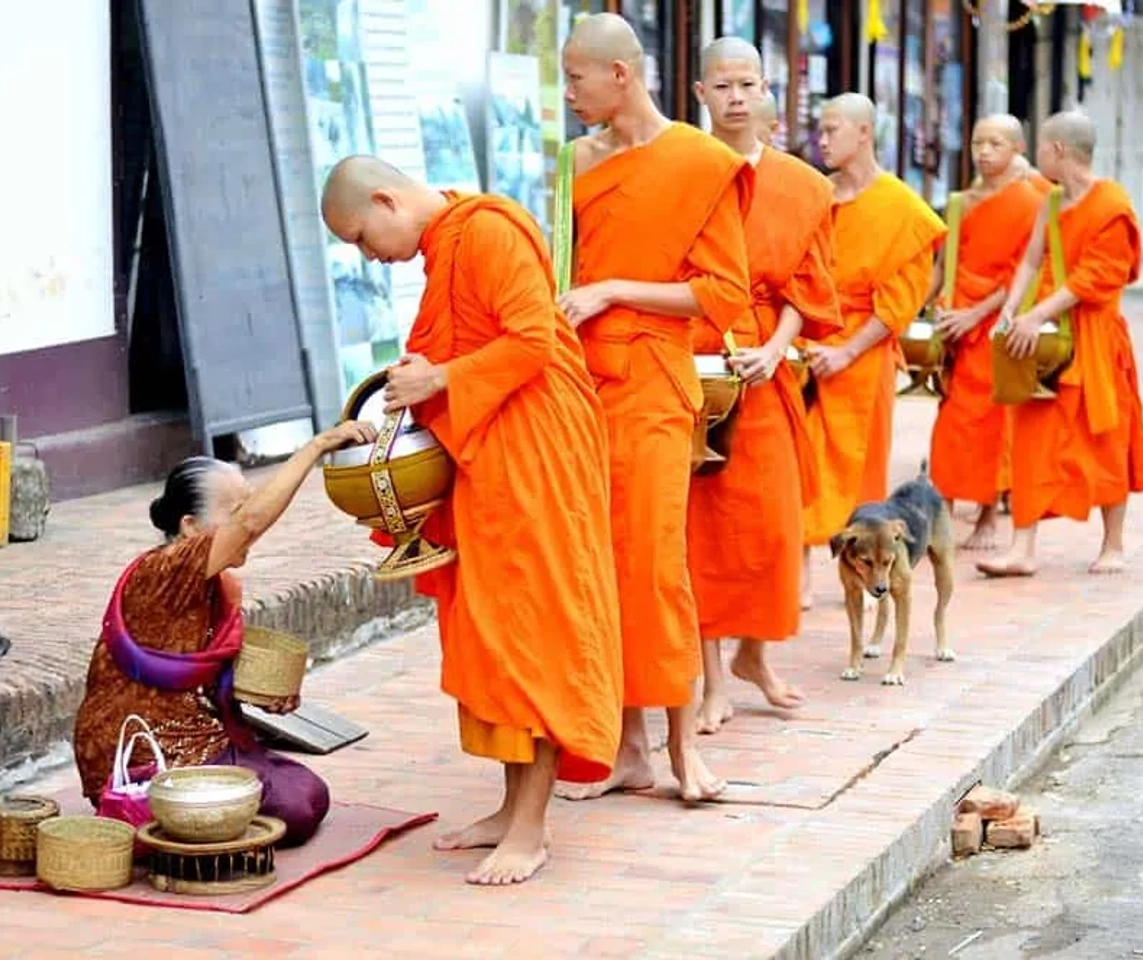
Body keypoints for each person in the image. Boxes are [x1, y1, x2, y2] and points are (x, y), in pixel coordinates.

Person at [319, 156, 624, 885]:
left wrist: (443, 377)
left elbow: (532, 343)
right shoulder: (446, 244)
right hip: (492, 452)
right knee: (494, 627)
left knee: (535, 627)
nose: (370, 256)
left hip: (537, 452)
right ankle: (508, 805)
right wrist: (424, 374)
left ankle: (532, 826)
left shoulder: (486, 231)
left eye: (364, 237)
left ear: (387, 200)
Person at [552, 13, 753, 803]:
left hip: (652, 390)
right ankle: (625, 745)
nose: (567, 92)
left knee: (653, 564)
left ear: (620, 76)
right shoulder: (574, 162)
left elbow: (724, 294)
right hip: (581, 390)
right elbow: (558, 271)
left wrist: (614, 289)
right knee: (595, 566)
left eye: (576, 78)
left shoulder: (700, 163)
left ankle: (681, 749)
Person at [72, 423, 377, 848]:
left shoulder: (217, 583)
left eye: (245, 507)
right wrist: (319, 446)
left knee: (302, 788)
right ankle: (156, 810)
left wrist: (256, 696)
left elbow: (208, 680)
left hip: (196, 734)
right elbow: (253, 524)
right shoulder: (163, 570)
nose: (247, 521)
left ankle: (200, 815)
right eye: (233, 512)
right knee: (297, 803)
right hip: (141, 752)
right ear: (191, 526)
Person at [688, 37, 842, 734]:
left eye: (748, 84)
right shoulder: (680, 172)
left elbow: (807, 285)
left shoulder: (805, 185)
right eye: (723, 86)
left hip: (765, 366)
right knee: (702, 533)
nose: (737, 97)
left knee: (774, 529)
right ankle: (712, 677)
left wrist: (777, 350)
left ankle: (755, 654)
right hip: (692, 365)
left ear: (766, 90)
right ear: (699, 94)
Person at [977, 111, 1143, 578]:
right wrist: (1011, 309)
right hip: (1044, 339)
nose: (1036, 157)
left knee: (1107, 437)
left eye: (1040, 147)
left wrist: (1036, 314)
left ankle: (1113, 543)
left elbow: (1096, 277)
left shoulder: (1111, 204)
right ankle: (1022, 547)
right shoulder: (1053, 203)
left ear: (1058, 151)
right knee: (1031, 434)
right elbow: (1030, 260)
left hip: (1095, 338)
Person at [799, 93, 947, 609]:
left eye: (832, 129)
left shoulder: (902, 209)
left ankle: (858, 567)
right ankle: (798, 569)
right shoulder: (815, 195)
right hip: (806, 345)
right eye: (819, 130)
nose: (822, 140)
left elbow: (900, 301)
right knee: (800, 463)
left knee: (859, 469)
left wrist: (846, 352)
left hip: (863, 356)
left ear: (864, 133)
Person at [927, 114, 1046, 550]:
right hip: (955, 325)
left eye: (996, 143)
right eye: (978, 142)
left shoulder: (1032, 203)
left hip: (996, 327)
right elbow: (944, 266)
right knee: (951, 424)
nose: (984, 152)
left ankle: (988, 516)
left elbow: (1021, 274)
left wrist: (974, 315)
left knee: (995, 424)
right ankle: (942, 511)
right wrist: (917, 310)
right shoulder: (961, 202)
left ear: (1018, 150)